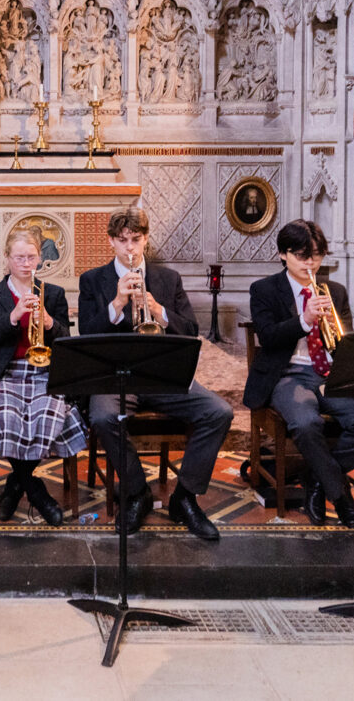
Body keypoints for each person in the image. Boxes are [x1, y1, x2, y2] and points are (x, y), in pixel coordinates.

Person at [78, 208, 232, 541]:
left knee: (218, 411)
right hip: (115, 374)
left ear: (145, 239)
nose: (130, 248)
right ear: (111, 242)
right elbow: (85, 335)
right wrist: (116, 304)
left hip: (162, 373)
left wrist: (160, 311)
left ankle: (185, 498)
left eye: (136, 239)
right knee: (103, 417)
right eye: (123, 241)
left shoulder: (167, 279)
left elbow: (191, 329)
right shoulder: (93, 280)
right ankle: (136, 493)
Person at [244, 219, 354, 528]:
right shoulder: (265, 289)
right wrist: (305, 320)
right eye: (301, 255)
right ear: (283, 254)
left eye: (317, 255)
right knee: (306, 423)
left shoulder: (335, 291)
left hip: (330, 375)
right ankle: (342, 497)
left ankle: (317, 477)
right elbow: (267, 337)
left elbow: (346, 344)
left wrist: (339, 351)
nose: (310, 263)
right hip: (287, 375)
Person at [0, 229, 85, 526]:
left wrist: (48, 321)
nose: (26, 263)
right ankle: (34, 489)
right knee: (7, 414)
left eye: (32, 257)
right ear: (8, 259)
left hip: (45, 371)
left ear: (40, 259)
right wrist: (13, 316)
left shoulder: (54, 294)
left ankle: (15, 484)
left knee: (47, 413)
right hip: (7, 372)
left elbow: (65, 340)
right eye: (19, 257)